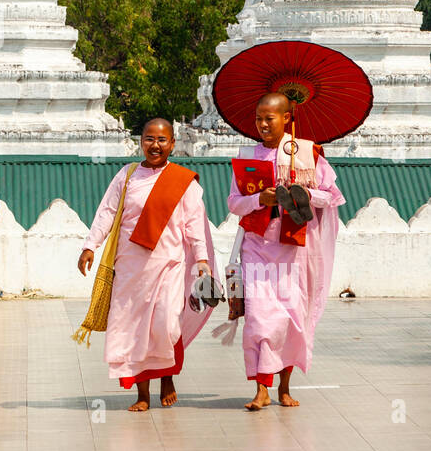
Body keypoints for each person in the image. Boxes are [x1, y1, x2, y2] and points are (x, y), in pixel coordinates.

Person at [77, 118, 215, 411]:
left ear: (173, 144)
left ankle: (167, 377)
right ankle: (142, 393)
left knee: (166, 323)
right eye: (149, 139)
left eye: (162, 140)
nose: (155, 145)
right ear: (141, 141)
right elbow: (107, 212)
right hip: (130, 266)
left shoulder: (183, 181)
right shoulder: (127, 175)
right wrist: (90, 245)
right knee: (134, 327)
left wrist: (201, 259)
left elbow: (193, 226)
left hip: (169, 264)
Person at [226, 92, 345, 411]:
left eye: (270, 118)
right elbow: (233, 203)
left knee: (292, 317)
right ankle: (262, 388)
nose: (263, 125)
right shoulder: (248, 155)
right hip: (258, 246)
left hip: (296, 247)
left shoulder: (307, 153)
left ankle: (284, 387)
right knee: (261, 319)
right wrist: (257, 201)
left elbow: (332, 197)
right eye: (258, 119)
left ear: (287, 118)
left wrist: (304, 194)